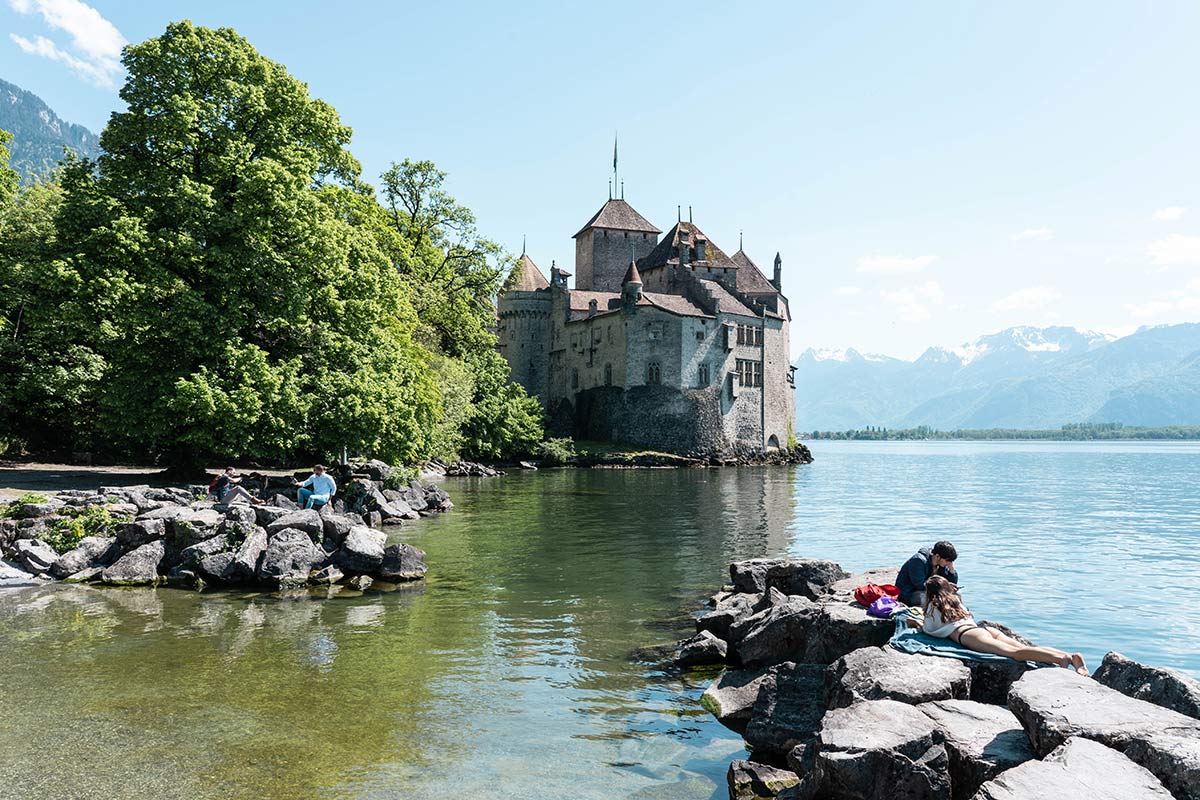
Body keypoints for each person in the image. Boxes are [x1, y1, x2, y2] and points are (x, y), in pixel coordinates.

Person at [909, 575, 1089, 675]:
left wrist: (917, 623)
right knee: (1022, 647)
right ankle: (1070, 656)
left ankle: (1060, 659)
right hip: (985, 630)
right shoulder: (956, 600)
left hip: (968, 635)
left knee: (1016, 654)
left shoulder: (934, 606)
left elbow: (930, 630)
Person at [896, 541, 958, 606]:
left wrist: (951, 570)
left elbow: (952, 582)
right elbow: (919, 584)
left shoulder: (941, 564)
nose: (949, 563)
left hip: (927, 591)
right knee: (934, 600)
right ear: (937, 556)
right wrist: (943, 587)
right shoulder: (918, 561)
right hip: (909, 593)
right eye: (947, 560)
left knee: (956, 595)